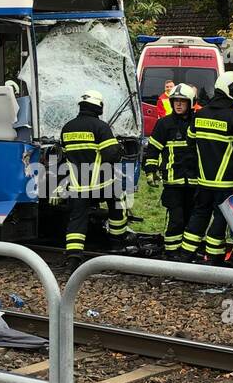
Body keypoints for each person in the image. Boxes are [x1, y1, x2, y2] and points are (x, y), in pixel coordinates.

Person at [181, 71, 233, 264]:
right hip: (226, 182)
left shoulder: (199, 115)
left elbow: (190, 142)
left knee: (199, 214)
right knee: (220, 218)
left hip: (203, 180)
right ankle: (214, 256)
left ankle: (186, 254)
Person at [59, 89, 130, 266]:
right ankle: (116, 242)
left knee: (77, 218)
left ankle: (74, 256)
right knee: (118, 202)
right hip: (101, 184)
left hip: (77, 185)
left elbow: (65, 156)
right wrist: (120, 149)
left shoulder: (67, 128)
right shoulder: (101, 127)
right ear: (99, 106)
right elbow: (111, 155)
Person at [143, 83, 196, 258]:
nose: (179, 104)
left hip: (195, 182)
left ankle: (187, 252)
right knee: (177, 219)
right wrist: (150, 169)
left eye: (182, 101)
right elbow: (153, 149)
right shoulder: (164, 124)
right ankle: (172, 252)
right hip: (173, 182)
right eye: (176, 101)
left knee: (191, 219)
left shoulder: (197, 123)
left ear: (190, 103)